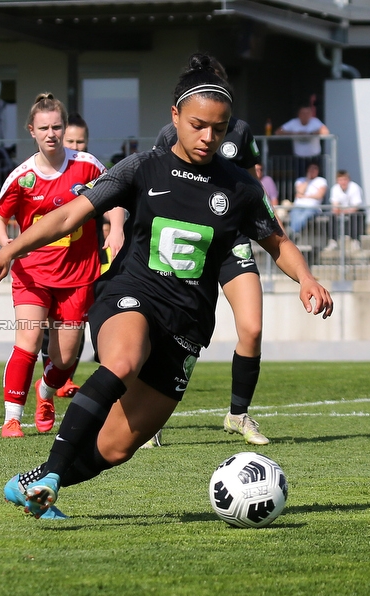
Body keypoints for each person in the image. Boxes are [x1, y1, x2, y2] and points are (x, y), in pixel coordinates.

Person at [0, 54, 332, 519]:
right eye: (198, 124)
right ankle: (53, 476)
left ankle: (33, 481)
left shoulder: (239, 187)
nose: (208, 137)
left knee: (118, 446)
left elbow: (277, 240)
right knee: (122, 360)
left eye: (219, 129)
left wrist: (305, 277)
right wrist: (5, 252)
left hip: (188, 323)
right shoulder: (140, 168)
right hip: (132, 293)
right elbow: (65, 216)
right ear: (175, 116)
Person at [151, 56, 274, 446]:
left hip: (230, 240)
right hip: (184, 241)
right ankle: (149, 419)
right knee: (164, 331)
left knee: (252, 328)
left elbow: (251, 177)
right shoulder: (167, 136)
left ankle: (238, 414)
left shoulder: (241, 131)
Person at [0, 93, 108, 439]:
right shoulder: (22, 177)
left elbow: (113, 197)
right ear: (32, 130)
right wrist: (8, 246)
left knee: (66, 357)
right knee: (27, 340)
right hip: (33, 274)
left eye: (57, 126)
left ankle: (46, 391)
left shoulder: (87, 165)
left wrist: (115, 227)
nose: (52, 133)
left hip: (77, 275)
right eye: (44, 127)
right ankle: (12, 418)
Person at [39, 112, 126, 401]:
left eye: (81, 141)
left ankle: (68, 378)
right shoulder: (46, 171)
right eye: (71, 140)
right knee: (53, 331)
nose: (76, 145)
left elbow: (113, 198)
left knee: (83, 324)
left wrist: (114, 227)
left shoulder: (91, 170)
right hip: (52, 265)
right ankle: (54, 381)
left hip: (86, 263)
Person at [328, 170, 365, 251]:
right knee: (331, 216)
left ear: (348, 180)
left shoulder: (355, 187)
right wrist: (338, 210)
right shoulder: (335, 188)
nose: (343, 182)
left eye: (345, 180)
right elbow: (335, 205)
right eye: (340, 180)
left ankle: (355, 240)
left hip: (355, 211)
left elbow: (355, 207)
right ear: (337, 181)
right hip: (344, 210)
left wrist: (342, 211)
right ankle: (333, 240)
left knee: (355, 216)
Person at [287, 163, 328, 237]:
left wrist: (304, 196)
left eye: (315, 169)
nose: (313, 171)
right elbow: (300, 191)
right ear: (307, 170)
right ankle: (295, 234)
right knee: (295, 215)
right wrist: (307, 179)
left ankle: (292, 232)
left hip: (312, 207)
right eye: (311, 169)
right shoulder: (300, 180)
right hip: (298, 206)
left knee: (304, 216)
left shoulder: (321, 181)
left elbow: (319, 195)